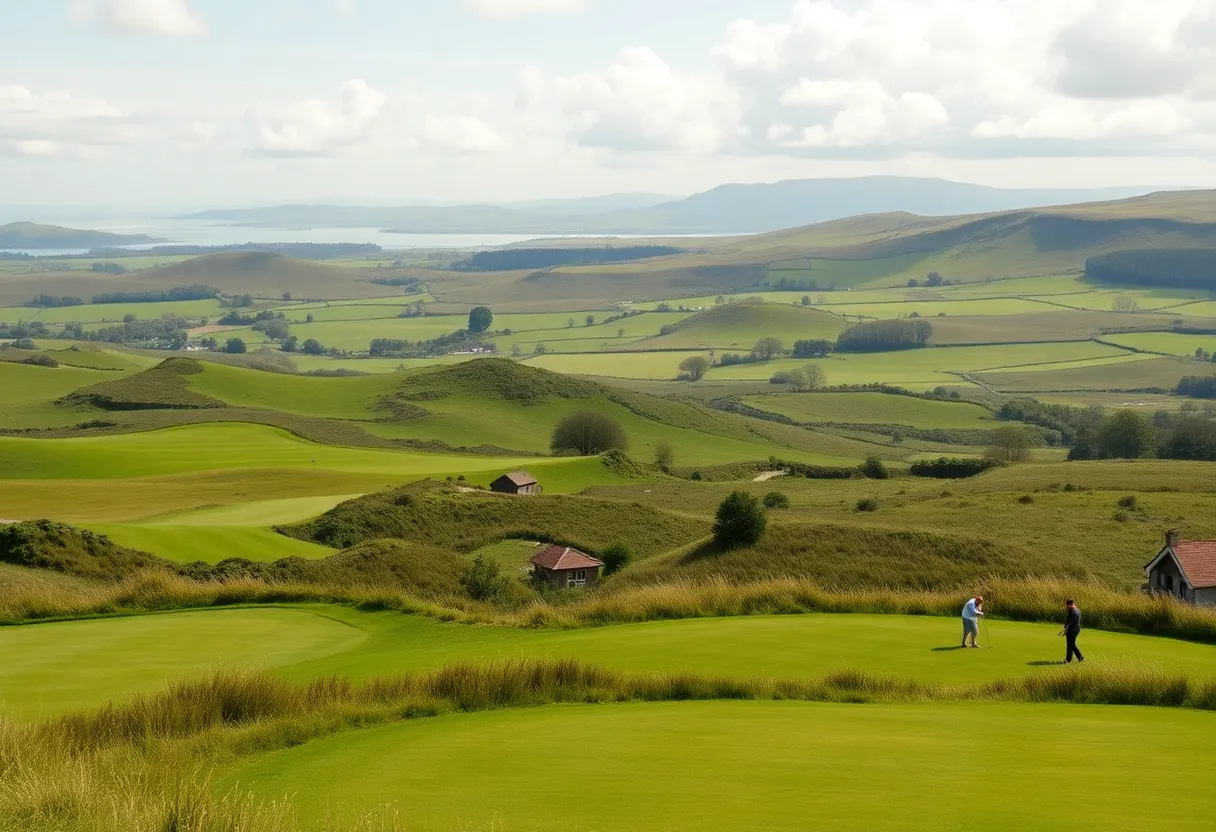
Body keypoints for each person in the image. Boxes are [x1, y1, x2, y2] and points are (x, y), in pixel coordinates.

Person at [1060, 599, 1084, 663]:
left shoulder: (1073, 612)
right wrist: (1064, 628)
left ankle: (1068, 660)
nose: (1066, 606)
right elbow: (1068, 620)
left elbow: (1070, 622)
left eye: (1067, 605)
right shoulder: (1076, 610)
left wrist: (1065, 630)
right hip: (1075, 629)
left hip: (1072, 630)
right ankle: (1080, 657)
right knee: (1072, 644)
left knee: (1069, 645)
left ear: (1071, 605)